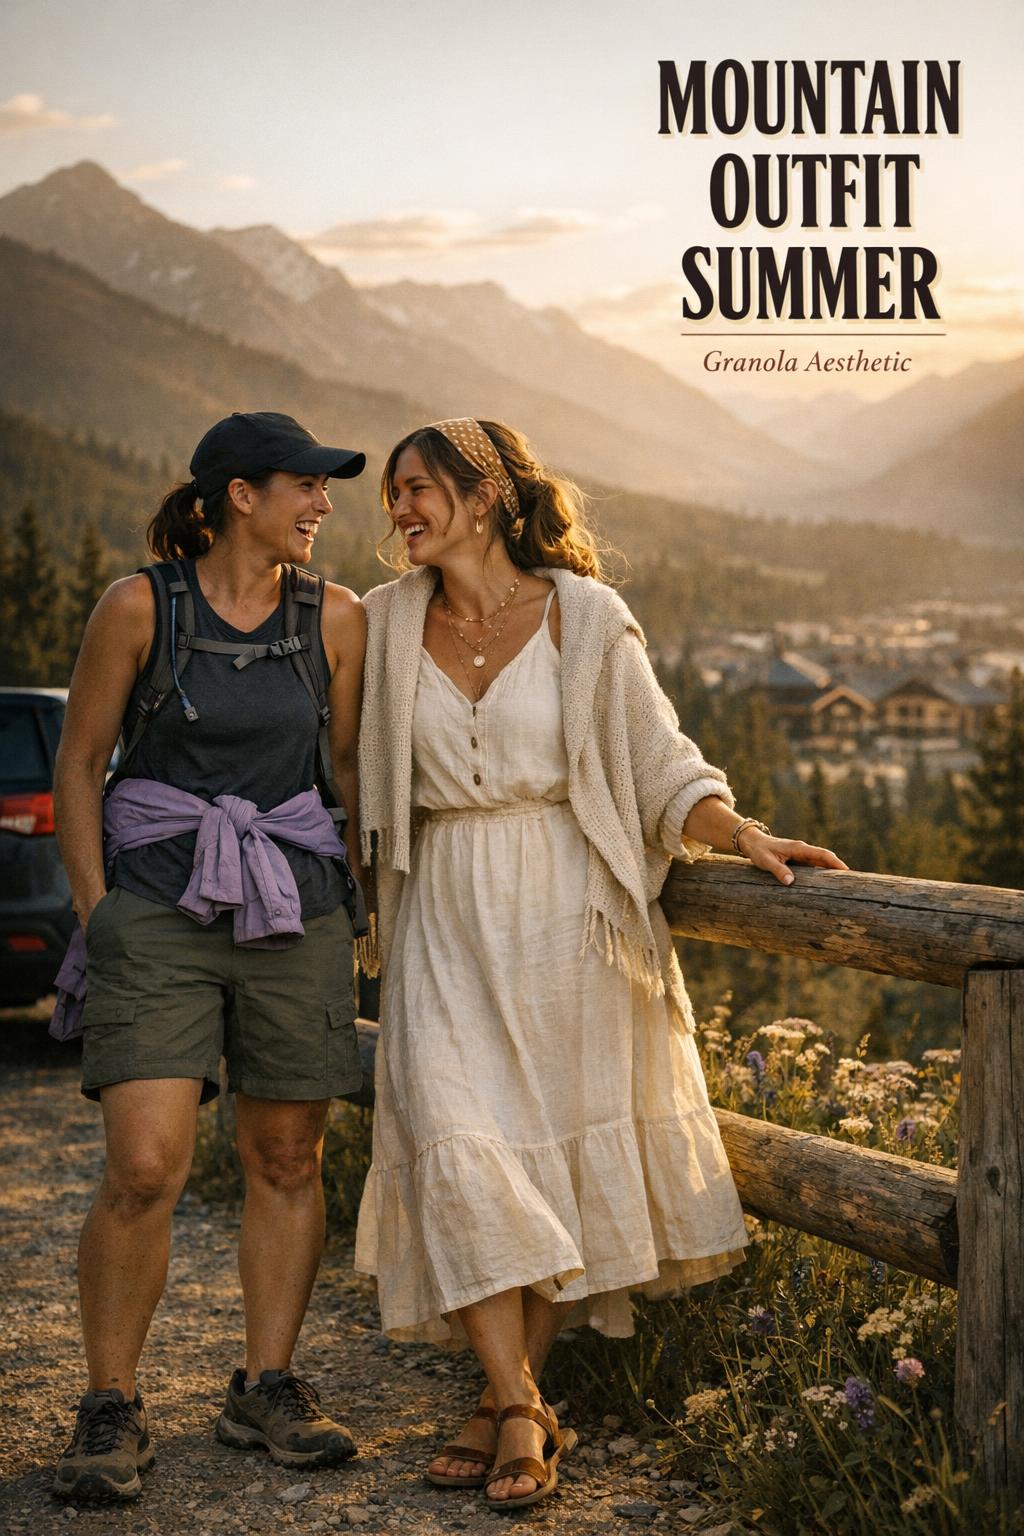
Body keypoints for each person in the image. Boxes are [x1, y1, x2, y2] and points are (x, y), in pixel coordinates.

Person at [354, 418, 848, 1511]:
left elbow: (658, 759)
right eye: (392, 492)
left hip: (571, 918)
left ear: (485, 498)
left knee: (552, 1158)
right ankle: (523, 1404)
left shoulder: (584, 616)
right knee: (454, 1139)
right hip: (442, 908)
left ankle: (502, 1402)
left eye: (419, 488)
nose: (398, 509)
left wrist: (741, 832)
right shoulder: (383, 625)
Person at [50, 412, 369, 1502]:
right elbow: (82, 760)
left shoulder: (341, 618)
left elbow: (347, 773)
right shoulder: (142, 604)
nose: (324, 506)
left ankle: (266, 1385)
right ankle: (109, 1404)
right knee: (145, 1165)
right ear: (242, 494)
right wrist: (102, 919)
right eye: (307, 487)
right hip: (157, 910)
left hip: (295, 908)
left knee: (287, 1158)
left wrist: (361, 905)